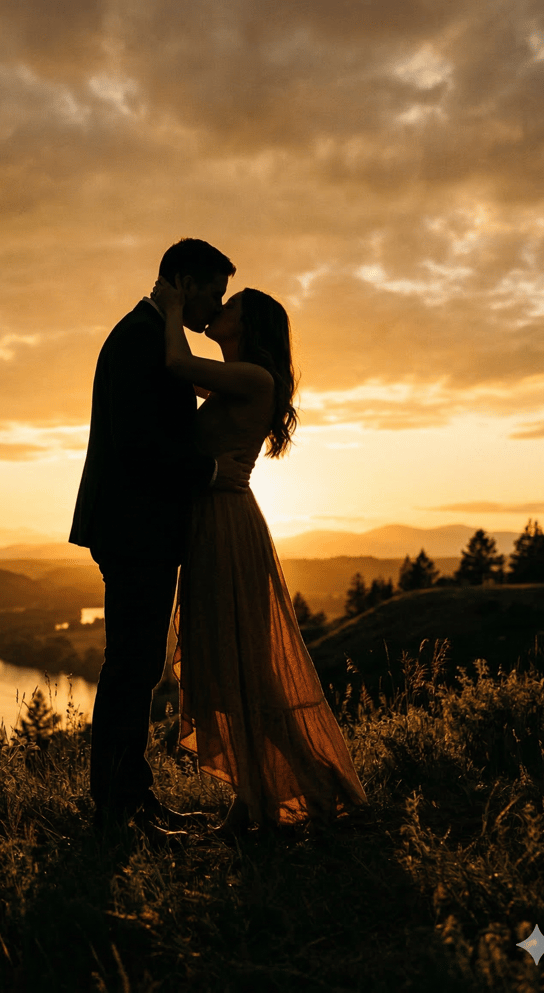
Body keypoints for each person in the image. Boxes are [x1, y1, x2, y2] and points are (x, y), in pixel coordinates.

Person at [150, 275, 369, 835]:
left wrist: (171, 306)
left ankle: (311, 785)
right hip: (212, 523)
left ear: (247, 326)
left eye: (230, 305)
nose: (218, 308)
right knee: (227, 668)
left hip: (227, 526)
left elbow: (176, 363)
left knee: (247, 668)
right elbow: (178, 376)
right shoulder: (233, 381)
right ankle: (251, 801)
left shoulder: (253, 377)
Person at [69, 238, 255, 835]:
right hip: (133, 529)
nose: (215, 306)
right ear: (185, 283)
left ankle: (130, 797)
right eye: (214, 293)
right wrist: (211, 471)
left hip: (140, 527)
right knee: (131, 666)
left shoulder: (155, 336)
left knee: (139, 664)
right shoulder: (138, 340)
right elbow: (139, 445)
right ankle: (118, 808)